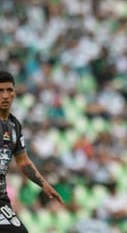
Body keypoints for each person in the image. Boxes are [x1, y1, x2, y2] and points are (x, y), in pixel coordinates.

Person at [0, 70, 63, 233]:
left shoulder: (14, 125)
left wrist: (44, 184)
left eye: (9, 90)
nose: (5, 96)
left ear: (15, 93)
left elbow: (23, 162)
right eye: (0, 91)